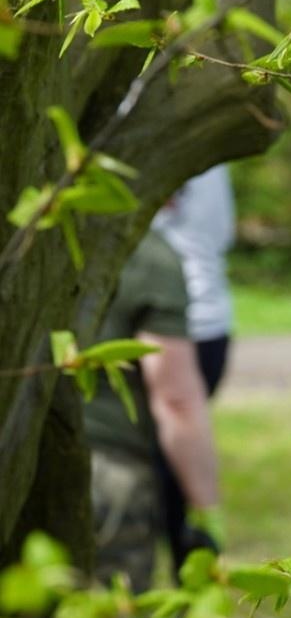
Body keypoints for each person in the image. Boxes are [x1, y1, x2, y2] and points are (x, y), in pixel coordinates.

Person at [84, 229, 224, 596]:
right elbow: (176, 400)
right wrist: (206, 512)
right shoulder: (142, 252)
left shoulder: (21, 233)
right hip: (107, 476)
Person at [151, 165, 235, 572]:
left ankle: (195, 607)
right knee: (168, 474)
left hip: (176, 320)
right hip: (211, 322)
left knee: (170, 470)